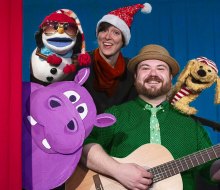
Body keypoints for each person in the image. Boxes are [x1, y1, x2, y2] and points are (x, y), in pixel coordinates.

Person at [81, 44, 220, 190]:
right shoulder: (115, 115)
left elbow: (209, 170)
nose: (153, 73)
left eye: (161, 68)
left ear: (170, 77)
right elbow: (84, 146)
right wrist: (118, 171)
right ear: (135, 77)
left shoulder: (191, 125)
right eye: (145, 68)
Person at [80, 3, 152, 114]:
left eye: (116, 33)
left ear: (124, 40)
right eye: (103, 30)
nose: (107, 36)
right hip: (85, 129)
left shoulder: (132, 69)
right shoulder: (81, 62)